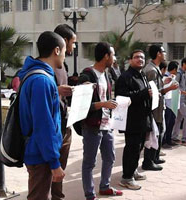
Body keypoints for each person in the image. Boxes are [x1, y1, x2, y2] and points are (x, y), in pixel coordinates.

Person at [18, 31, 66, 200]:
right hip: (40, 154)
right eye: (65, 51)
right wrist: (54, 163)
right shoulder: (42, 80)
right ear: (57, 51)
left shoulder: (38, 76)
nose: (65, 57)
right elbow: (43, 125)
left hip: (39, 151)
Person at [77, 42, 123, 199]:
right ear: (106, 56)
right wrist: (104, 104)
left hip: (107, 124)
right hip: (92, 126)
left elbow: (107, 97)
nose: (114, 58)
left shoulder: (107, 74)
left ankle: (105, 186)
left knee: (110, 157)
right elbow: (81, 106)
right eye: (113, 54)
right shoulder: (87, 75)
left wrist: (113, 103)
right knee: (89, 162)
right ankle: (90, 194)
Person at [116, 50, 152, 190]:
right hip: (131, 120)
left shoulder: (142, 75)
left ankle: (132, 170)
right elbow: (122, 97)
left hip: (143, 118)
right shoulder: (125, 77)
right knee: (132, 148)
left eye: (142, 57)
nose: (140, 60)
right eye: (137, 57)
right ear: (130, 60)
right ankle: (126, 177)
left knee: (139, 147)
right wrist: (143, 94)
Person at [142, 45, 177, 170]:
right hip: (153, 109)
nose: (165, 54)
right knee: (153, 134)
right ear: (158, 54)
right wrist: (169, 88)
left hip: (157, 107)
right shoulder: (151, 70)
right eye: (163, 52)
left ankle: (154, 157)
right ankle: (148, 161)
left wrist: (164, 81)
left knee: (158, 132)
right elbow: (154, 92)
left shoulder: (155, 68)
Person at [52, 24, 77, 200]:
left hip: (64, 124)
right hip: (52, 127)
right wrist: (57, 90)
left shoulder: (64, 66)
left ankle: (58, 196)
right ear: (64, 41)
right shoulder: (45, 69)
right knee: (49, 172)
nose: (74, 47)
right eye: (73, 43)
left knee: (60, 169)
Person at [172, 58, 186, 147]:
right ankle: (184, 139)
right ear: (183, 64)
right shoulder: (179, 74)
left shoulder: (183, 74)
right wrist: (185, 93)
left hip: (182, 99)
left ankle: (174, 137)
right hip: (179, 99)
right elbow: (175, 86)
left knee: (179, 119)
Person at [162, 61, 180, 148]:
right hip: (167, 104)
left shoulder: (173, 77)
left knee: (171, 122)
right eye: (177, 69)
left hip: (173, 103)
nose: (177, 71)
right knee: (167, 123)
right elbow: (164, 90)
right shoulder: (166, 78)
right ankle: (164, 141)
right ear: (174, 69)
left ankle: (169, 139)